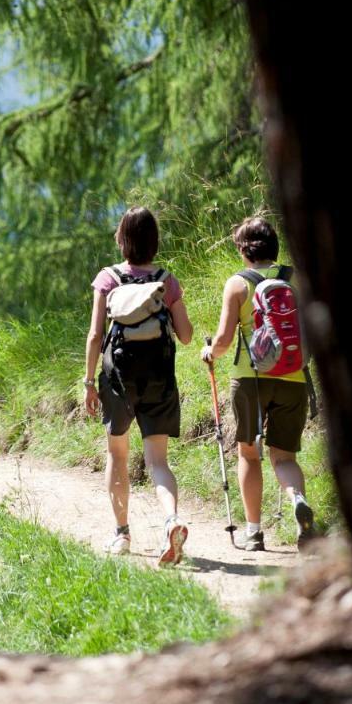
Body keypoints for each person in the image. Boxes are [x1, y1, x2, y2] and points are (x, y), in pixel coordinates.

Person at [84, 207, 194, 566]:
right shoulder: (167, 280)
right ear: (154, 242)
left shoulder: (108, 278)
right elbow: (187, 336)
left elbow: (96, 335)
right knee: (158, 461)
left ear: (122, 240)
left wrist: (88, 382)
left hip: (118, 378)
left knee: (117, 454)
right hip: (159, 377)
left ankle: (122, 535)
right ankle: (172, 521)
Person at [200, 216, 317, 550]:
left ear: (243, 250)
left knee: (249, 455)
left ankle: (253, 532)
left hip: (250, 379)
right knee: (285, 457)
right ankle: (297, 502)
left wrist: (209, 352)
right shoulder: (296, 279)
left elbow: (222, 340)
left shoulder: (238, 284)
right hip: (294, 378)